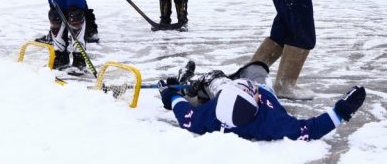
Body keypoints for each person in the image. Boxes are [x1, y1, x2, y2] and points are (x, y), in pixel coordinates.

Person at [157, 61, 366, 141]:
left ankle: (198, 83)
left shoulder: (210, 117)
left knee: (216, 81)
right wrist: (342, 111)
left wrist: (170, 94)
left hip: (223, 93)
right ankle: (200, 84)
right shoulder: (272, 124)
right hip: (257, 87)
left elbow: (185, 115)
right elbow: (311, 129)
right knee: (257, 70)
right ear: (257, 102)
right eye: (254, 93)